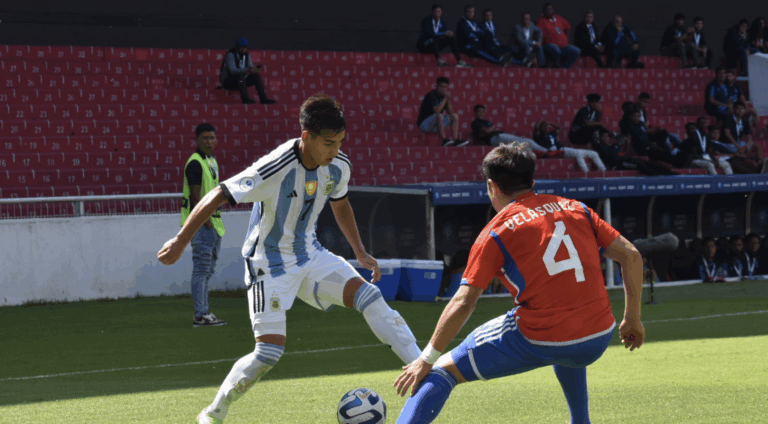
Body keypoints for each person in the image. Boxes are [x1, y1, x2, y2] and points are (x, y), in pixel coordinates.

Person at [158, 94, 423, 423]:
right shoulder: (276, 166)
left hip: (310, 256)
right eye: (328, 143)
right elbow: (219, 194)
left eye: (340, 142)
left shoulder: (338, 167)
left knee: (369, 296)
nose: (335, 150)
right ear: (306, 137)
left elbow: (340, 205)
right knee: (268, 353)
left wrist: (359, 251)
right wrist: (182, 240)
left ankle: (425, 373)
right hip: (266, 267)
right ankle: (213, 414)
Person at [392, 142, 645, 424]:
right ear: (533, 181)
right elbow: (631, 255)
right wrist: (632, 318)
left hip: (542, 338)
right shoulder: (576, 208)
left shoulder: (496, 231)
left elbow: (464, 302)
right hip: (599, 336)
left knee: (441, 371)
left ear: (491, 186)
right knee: (568, 344)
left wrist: (426, 358)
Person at [181, 123, 228, 327]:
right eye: (205, 138)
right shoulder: (195, 163)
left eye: (211, 138)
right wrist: (205, 220)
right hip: (203, 224)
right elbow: (194, 195)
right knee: (201, 269)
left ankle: (204, 312)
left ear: (216, 139)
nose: (209, 141)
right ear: (197, 140)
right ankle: (200, 314)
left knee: (207, 270)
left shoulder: (211, 161)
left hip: (214, 223)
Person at [591, 130, 677, 176]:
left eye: (607, 136)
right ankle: (655, 177)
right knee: (640, 165)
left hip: (627, 160)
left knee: (650, 162)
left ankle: (670, 173)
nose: (606, 138)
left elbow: (620, 138)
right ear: (600, 138)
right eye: (604, 136)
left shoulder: (612, 146)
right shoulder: (600, 147)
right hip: (619, 164)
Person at [533, 120, 607, 172]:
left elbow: (560, 128)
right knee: (578, 154)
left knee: (594, 153)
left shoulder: (551, 133)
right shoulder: (539, 137)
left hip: (563, 149)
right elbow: (536, 127)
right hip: (556, 152)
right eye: (544, 126)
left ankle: (604, 171)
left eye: (547, 126)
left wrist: (550, 123)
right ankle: (586, 173)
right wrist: (540, 122)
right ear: (540, 128)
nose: (546, 127)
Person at [219, 38, 276, 105]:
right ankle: (245, 99)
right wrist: (248, 69)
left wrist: (255, 69)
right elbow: (232, 70)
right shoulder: (230, 54)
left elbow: (250, 65)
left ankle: (263, 99)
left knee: (256, 77)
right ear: (237, 47)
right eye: (242, 47)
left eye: (245, 47)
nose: (244, 49)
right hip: (228, 81)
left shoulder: (247, 55)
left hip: (241, 80)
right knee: (240, 76)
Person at [417, 3, 472, 68]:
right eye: (435, 11)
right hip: (425, 45)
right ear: (432, 12)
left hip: (434, 45)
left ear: (441, 12)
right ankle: (439, 60)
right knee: (434, 38)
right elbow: (430, 33)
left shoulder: (442, 22)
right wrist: (443, 33)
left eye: (439, 11)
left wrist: (448, 33)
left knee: (451, 38)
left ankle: (460, 60)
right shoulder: (427, 20)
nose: (437, 13)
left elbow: (445, 33)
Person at [417, 77, 467, 147]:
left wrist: (448, 100)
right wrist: (445, 99)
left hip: (436, 124)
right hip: (425, 124)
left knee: (455, 116)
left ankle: (455, 140)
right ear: (436, 86)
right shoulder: (431, 95)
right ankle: (444, 140)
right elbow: (437, 110)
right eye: (441, 86)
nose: (443, 89)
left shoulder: (443, 97)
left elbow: (451, 112)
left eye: (445, 87)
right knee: (440, 115)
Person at [535, 3, 581, 68]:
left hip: (563, 46)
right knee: (556, 49)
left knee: (577, 51)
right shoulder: (541, 20)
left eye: (550, 9)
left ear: (553, 10)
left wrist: (565, 38)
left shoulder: (558, 18)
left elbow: (568, 27)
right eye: (547, 9)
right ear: (544, 11)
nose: (549, 11)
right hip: (548, 45)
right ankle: (555, 65)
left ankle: (563, 67)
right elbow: (537, 34)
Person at [471, 104, 539, 147]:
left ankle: (545, 152)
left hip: (500, 135)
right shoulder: (475, 122)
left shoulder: (486, 122)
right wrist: (493, 127)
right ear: (475, 112)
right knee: (525, 142)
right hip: (494, 138)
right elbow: (487, 131)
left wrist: (492, 128)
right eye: (479, 111)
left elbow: (498, 129)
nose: (481, 113)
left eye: (483, 111)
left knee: (527, 141)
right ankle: (546, 152)